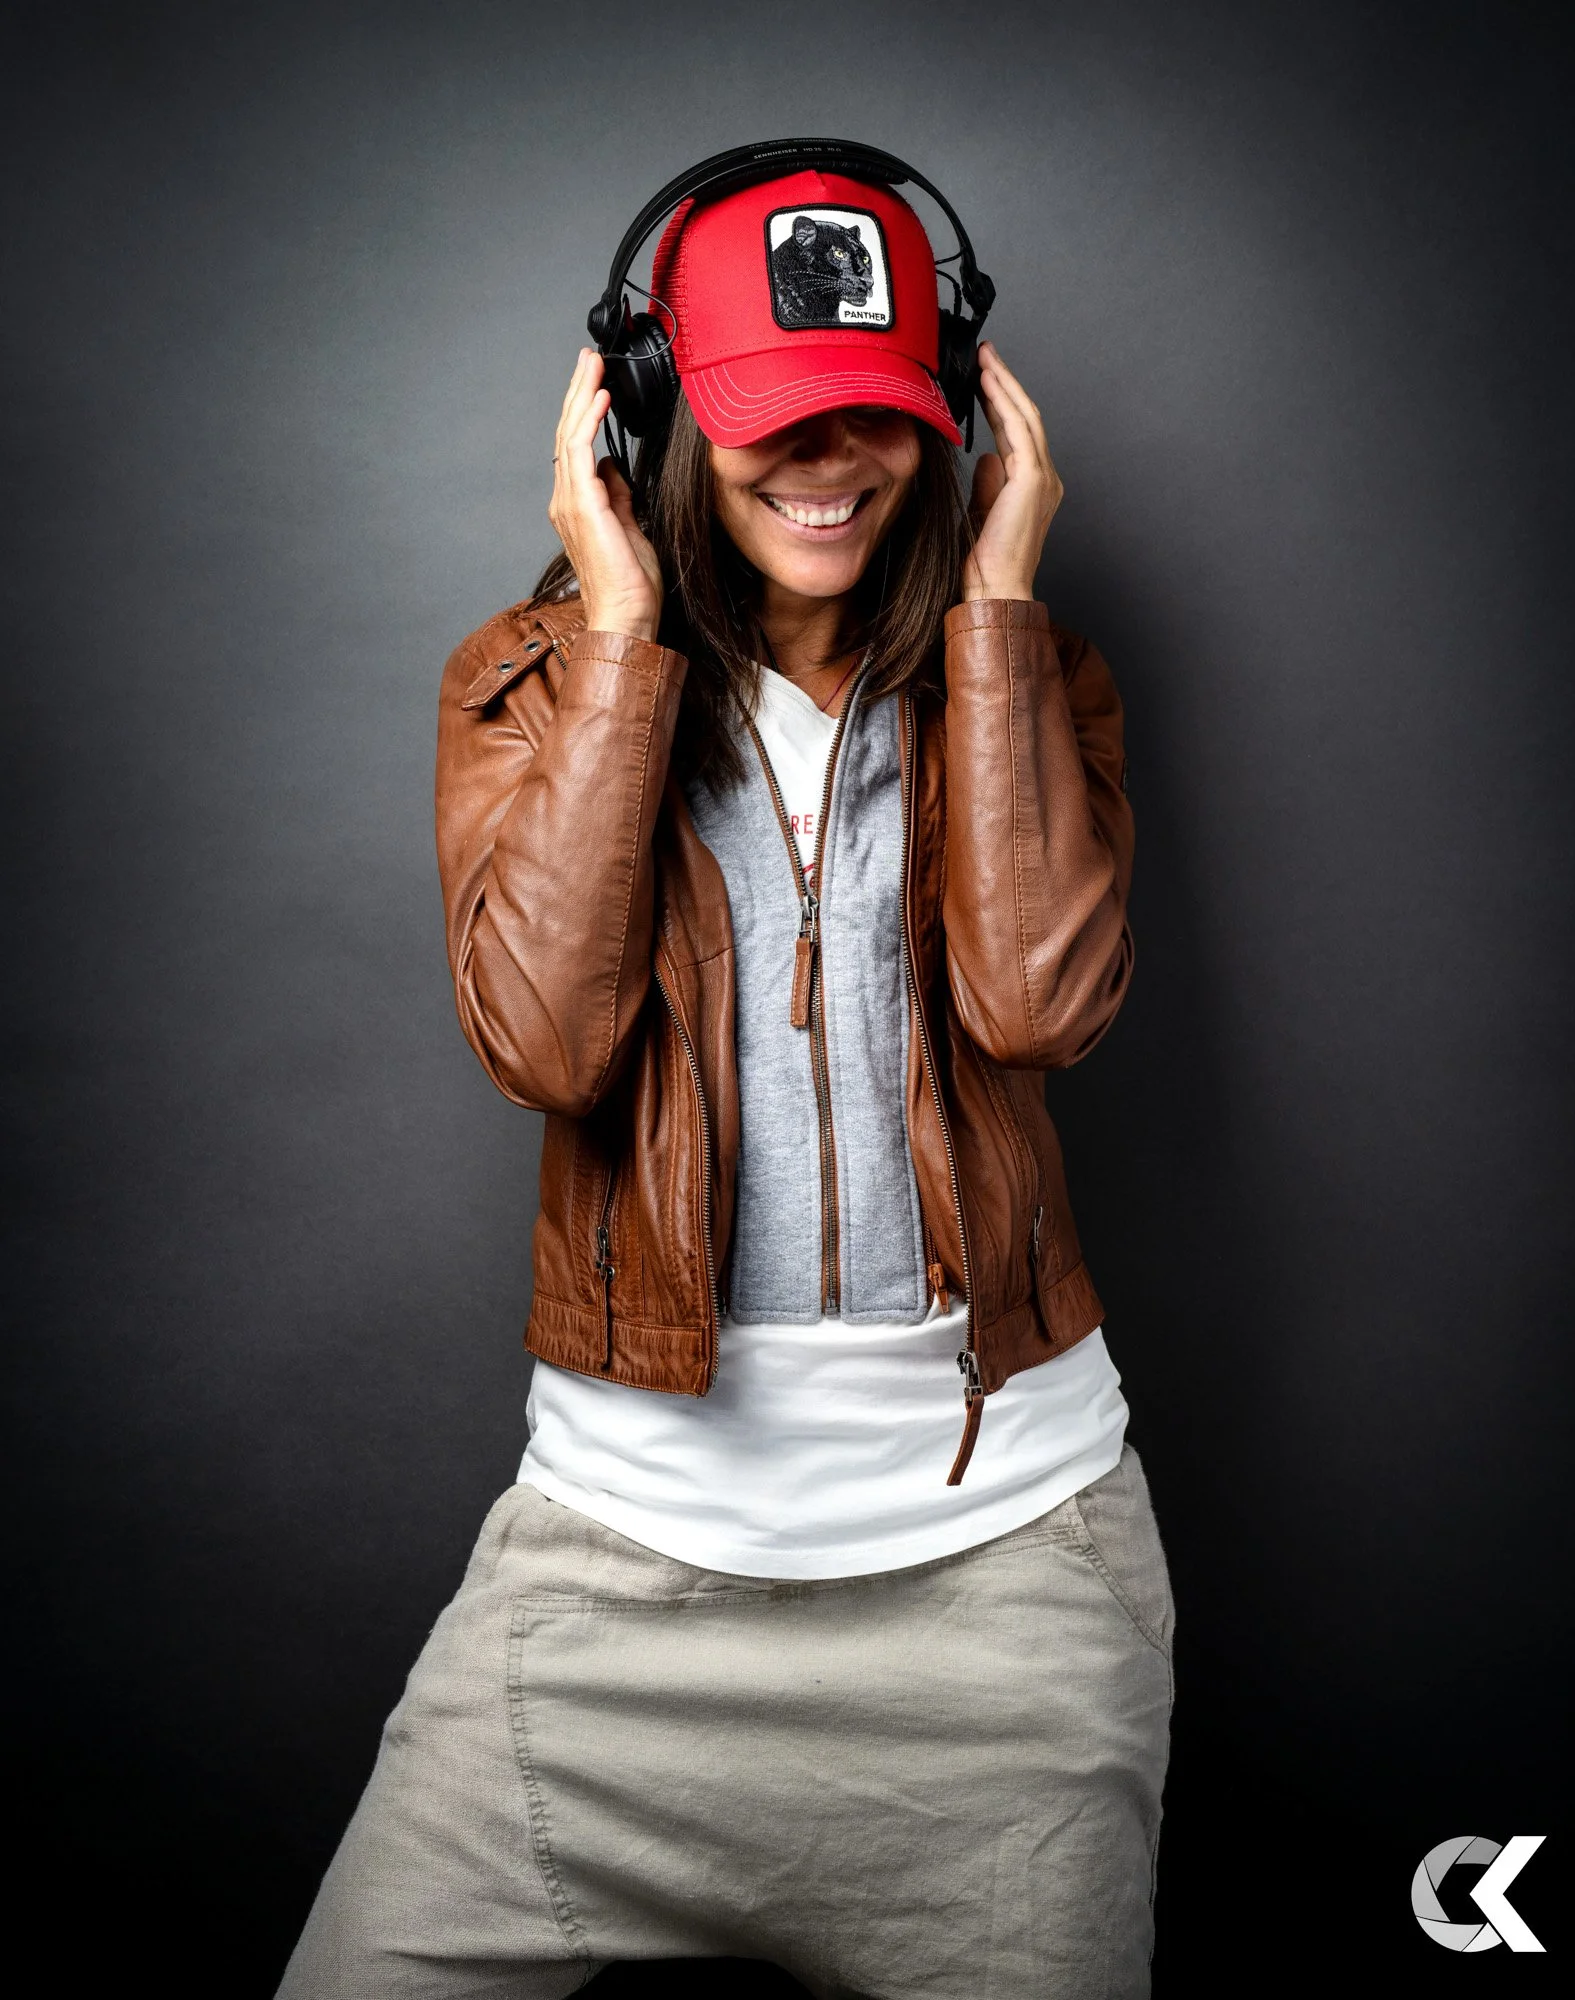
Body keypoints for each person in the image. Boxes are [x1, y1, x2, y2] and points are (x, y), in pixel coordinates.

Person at [278, 151, 1173, 2000]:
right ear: (656, 415)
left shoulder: (1033, 681)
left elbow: (1038, 1007)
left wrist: (999, 608)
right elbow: (545, 1041)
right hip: (612, 1585)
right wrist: (617, 635)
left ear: (952, 418)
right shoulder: (532, 686)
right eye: (771, 418)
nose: (828, 462)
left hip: (1003, 1602)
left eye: (877, 414)